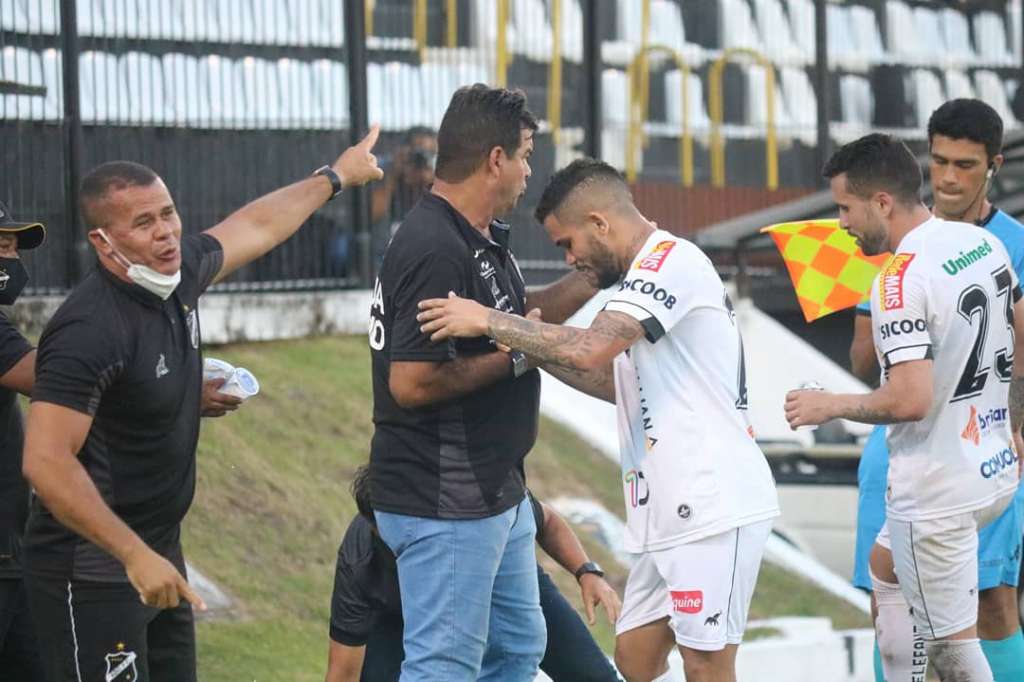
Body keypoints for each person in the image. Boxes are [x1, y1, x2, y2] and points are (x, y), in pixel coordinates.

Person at [21, 128, 384, 682]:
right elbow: (46, 463)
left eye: (168, 214)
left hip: (159, 553)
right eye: (144, 224)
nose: (166, 233)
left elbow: (255, 225)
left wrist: (335, 178)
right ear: (102, 242)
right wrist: (132, 553)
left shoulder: (177, 274)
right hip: (94, 570)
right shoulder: (87, 328)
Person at [417, 158, 780, 682]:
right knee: (636, 661)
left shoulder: (667, 263)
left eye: (568, 244)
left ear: (600, 224)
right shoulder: (644, 279)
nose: (570, 259)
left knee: (705, 665)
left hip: (711, 503)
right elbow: (615, 382)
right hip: (668, 510)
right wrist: (533, 350)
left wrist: (492, 319)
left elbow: (590, 348)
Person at [367, 84, 598, 682]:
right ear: (495, 159)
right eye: (524, 154)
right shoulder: (434, 245)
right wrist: (521, 354)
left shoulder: (479, 236)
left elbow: (526, 321)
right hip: (445, 501)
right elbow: (412, 384)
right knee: (444, 668)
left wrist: (598, 273)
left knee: (517, 653)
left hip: (497, 494)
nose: (529, 171)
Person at [786, 133, 1023, 682]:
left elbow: (909, 400)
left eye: (845, 208)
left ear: (882, 203)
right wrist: (1011, 418)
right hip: (988, 466)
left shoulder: (897, 281)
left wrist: (829, 405)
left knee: (954, 649)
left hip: (935, 490)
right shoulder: (979, 242)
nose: (842, 223)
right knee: (885, 568)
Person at [324, 466, 622, 682]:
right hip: (401, 616)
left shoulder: (473, 498)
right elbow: (342, 673)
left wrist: (586, 572)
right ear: (377, 525)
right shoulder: (360, 563)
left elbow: (547, 522)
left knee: (592, 675)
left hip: (499, 581)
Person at [0, 201, 47, 681]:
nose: (10, 262)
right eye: (0, 247)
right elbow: (54, 379)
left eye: (13, 248)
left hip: (13, 554)